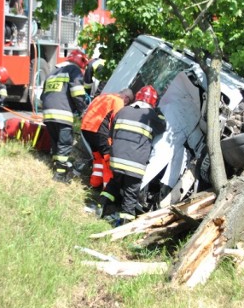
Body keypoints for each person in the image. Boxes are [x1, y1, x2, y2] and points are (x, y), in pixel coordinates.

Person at [100, 85, 166, 225]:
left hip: (116, 159)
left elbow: (112, 133)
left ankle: (100, 207)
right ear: (153, 102)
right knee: (130, 194)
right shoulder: (152, 116)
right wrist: (158, 112)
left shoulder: (123, 111)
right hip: (134, 163)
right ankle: (124, 224)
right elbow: (163, 126)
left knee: (114, 184)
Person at [41, 49, 89, 182]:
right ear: (81, 61)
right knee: (65, 144)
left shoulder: (52, 73)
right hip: (62, 114)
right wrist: (83, 111)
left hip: (48, 115)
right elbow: (77, 93)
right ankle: (60, 176)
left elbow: (42, 96)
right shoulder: (74, 70)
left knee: (56, 143)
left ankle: (56, 166)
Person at [80, 88, 134, 189]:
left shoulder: (102, 97)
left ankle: (95, 182)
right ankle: (107, 188)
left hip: (86, 128)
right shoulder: (118, 101)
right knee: (108, 159)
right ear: (126, 98)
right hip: (99, 130)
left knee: (98, 157)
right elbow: (116, 120)